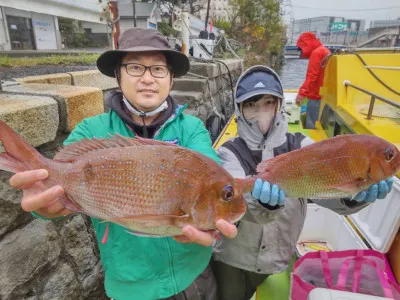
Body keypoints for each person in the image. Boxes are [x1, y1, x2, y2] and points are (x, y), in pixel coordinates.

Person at [9, 28, 237, 300]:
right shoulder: (91, 131)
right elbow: (52, 187)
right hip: (129, 284)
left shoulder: (192, 129)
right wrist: (43, 203)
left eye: (158, 69)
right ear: (118, 75)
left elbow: (212, 174)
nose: (147, 78)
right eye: (135, 67)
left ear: (171, 78)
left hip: (192, 276)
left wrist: (216, 215)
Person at [210, 65, 394, 300]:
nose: (260, 112)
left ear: (279, 105)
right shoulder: (228, 151)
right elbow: (233, 202)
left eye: (268, 103)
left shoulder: (302, 144)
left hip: (279, 259)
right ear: (240, 110)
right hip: (232, 260)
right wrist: (262, 204)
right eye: (250, 105)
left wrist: (353, 196)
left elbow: (325, 187)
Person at [295, 32, 331, 129]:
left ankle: (310, 142)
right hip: (322, 95)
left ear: (306, 44)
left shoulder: (316, 53)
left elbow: (312, 76)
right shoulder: (325, 50)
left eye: (301, 47)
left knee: (311, 124)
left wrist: (301, 94)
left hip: (315, 95)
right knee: (318, 124)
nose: (301, 51)